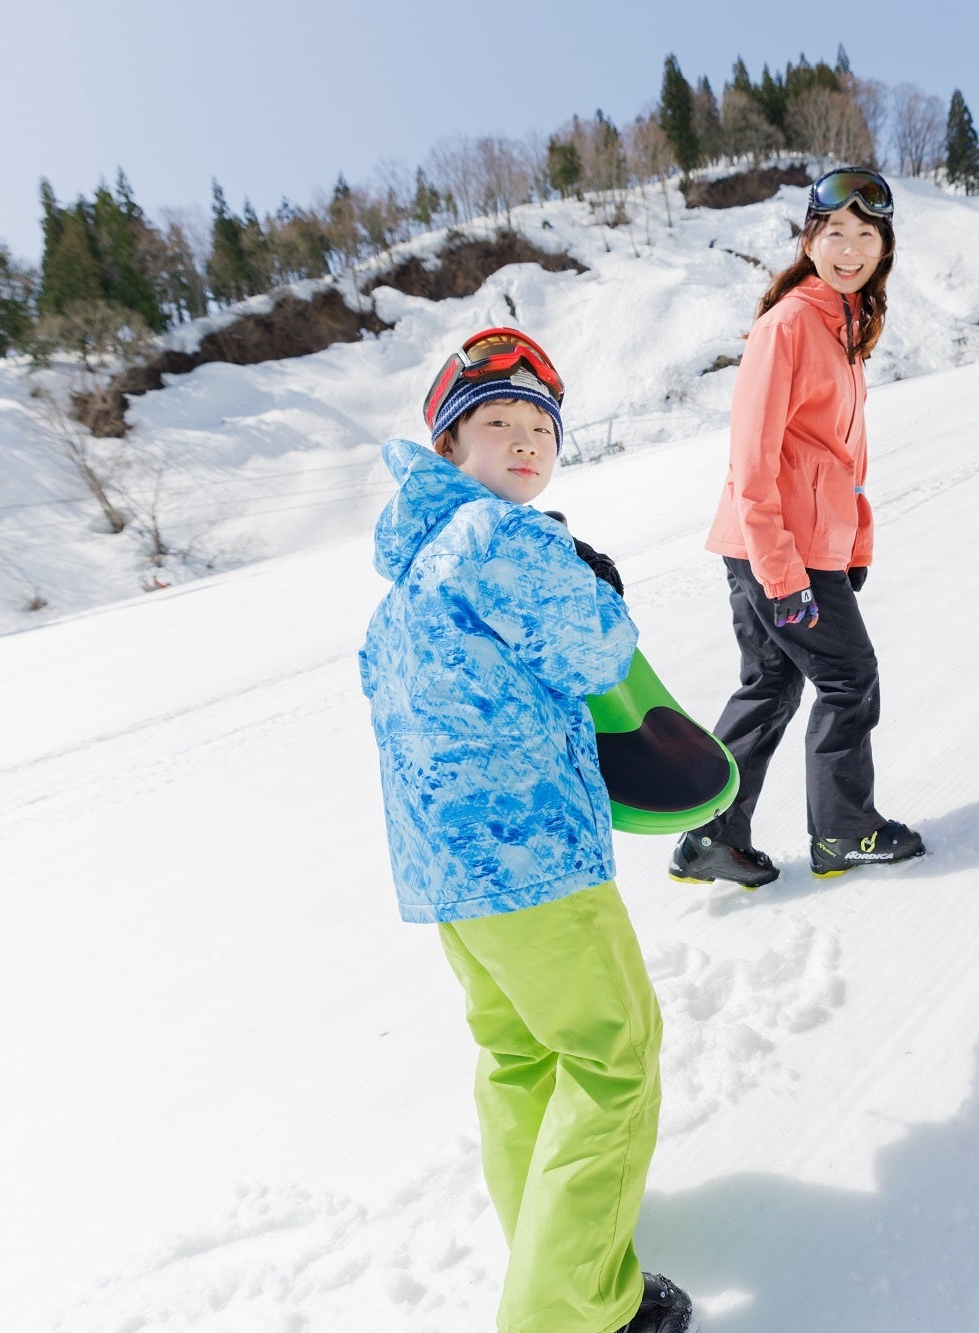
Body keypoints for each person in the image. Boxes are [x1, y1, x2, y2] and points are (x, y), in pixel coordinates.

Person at [358, 327, 691, 1333]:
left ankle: (548, 1250)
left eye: (539, 427)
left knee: (521, 1059)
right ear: (449, 446)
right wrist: (593, 583)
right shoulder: (503, 538)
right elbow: (597, 653)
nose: (522, 441)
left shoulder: (407, 577)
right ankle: (570, 1312)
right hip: (534, 857)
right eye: (496, 422)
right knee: (613, 1059)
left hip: (450, 878)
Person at [670, 167, 925, 888]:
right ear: (809, 241)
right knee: (849, 679)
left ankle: (711, 835)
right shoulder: (788, 324)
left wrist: (855, 543)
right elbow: (751, 459)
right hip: (778, 546)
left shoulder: (842, 326)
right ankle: (844, 831)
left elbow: (843, 457)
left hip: (785, 544)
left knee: (771, 685)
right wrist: (784, 574)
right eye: (835, 232)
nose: (851, 249)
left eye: (866, 235)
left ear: (884, 247)